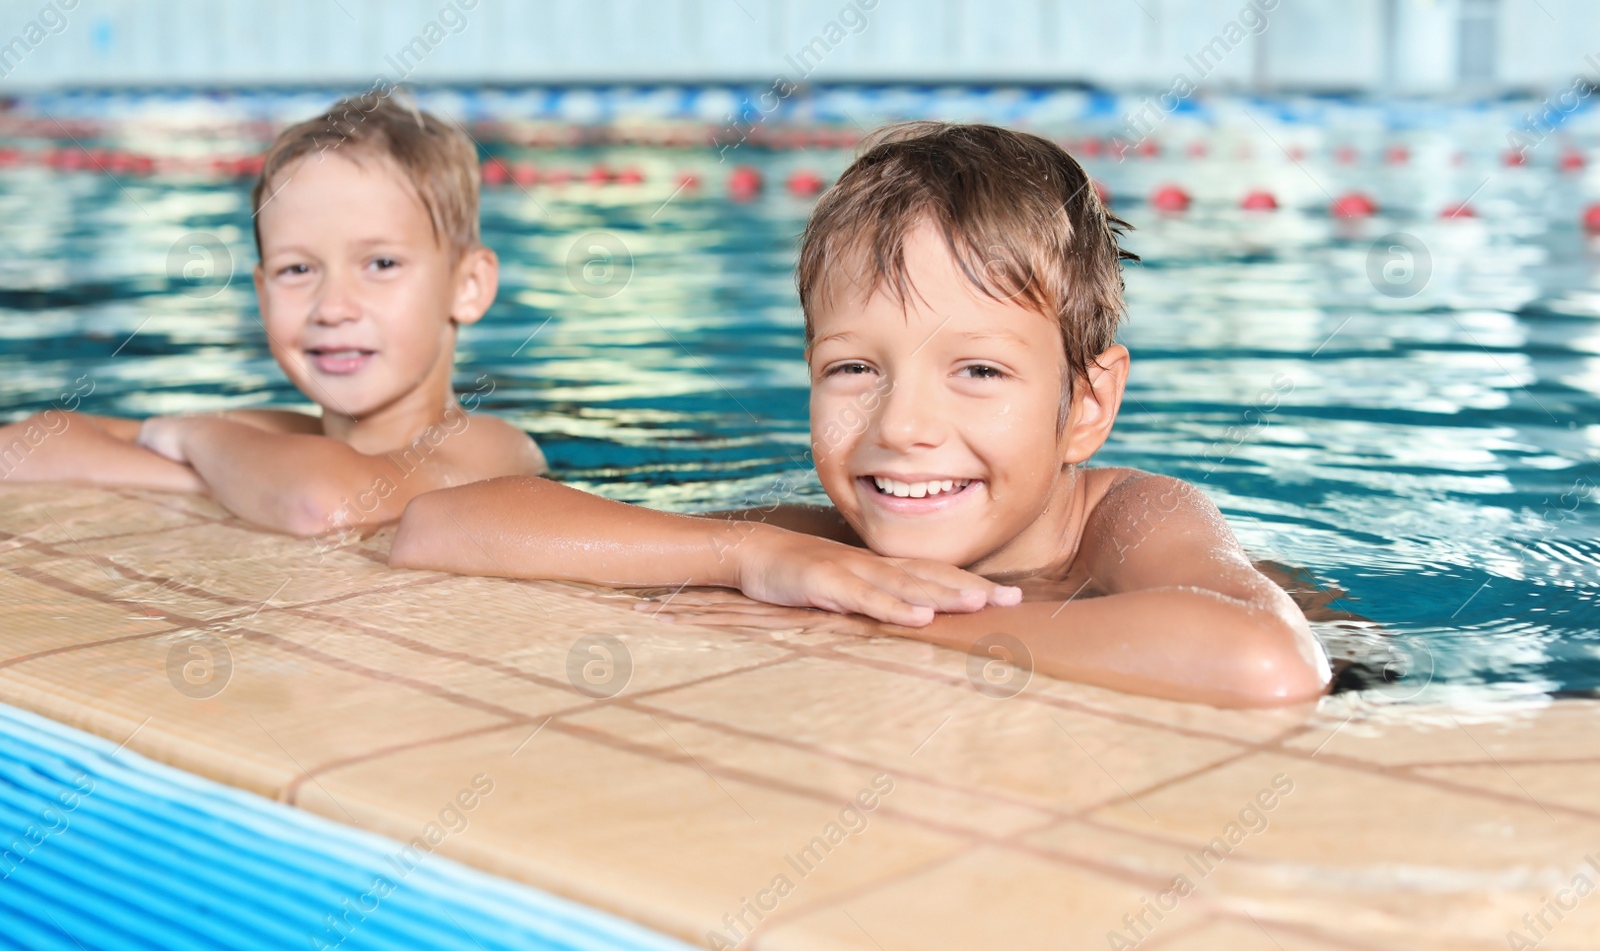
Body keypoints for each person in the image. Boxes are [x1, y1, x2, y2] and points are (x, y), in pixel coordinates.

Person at [391, 122, 1329, 708]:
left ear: (1085, 405)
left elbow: (1267, 664)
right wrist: (750, 556)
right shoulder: (828, 544)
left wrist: (871, 628)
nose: (901, 427)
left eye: (976, 369)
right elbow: (440, 524)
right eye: (852, 367)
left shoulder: (1133, 521)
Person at [0, 93, 545, 537]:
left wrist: (199, 445)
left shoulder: (488, 445)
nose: (332, 308)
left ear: (468, 287)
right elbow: (26, 446)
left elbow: (325, 503)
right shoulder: (278, 435)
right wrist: (233, 479)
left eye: (381, 263)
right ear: (261, 294)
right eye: (296, 270)